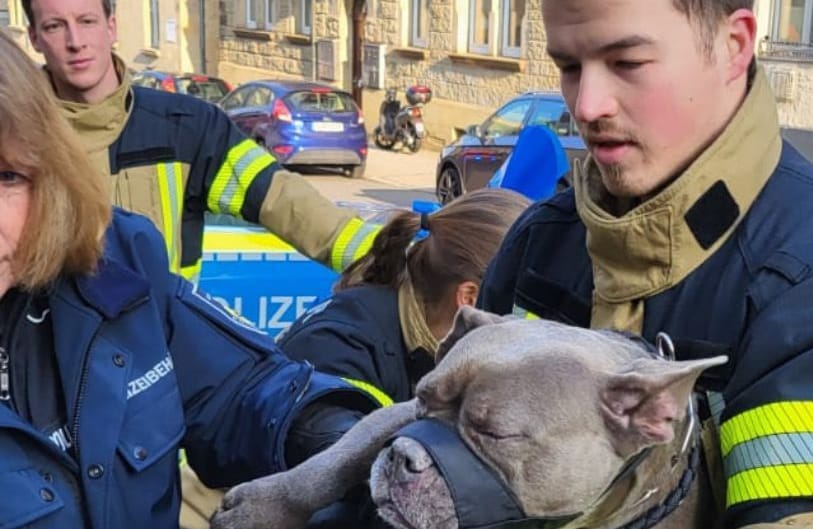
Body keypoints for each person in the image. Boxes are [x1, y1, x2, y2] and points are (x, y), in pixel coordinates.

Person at [479, 2, 813, 529]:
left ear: (734, 46)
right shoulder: (542, 243)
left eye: (627, 62)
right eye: (569, 66)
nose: (586, 105)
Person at [0, 32, 378, 529]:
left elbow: (237, 388)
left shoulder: (114, 264)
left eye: (8, 178)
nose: (74, 41)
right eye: (55, 25)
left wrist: (337, 438)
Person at [176, 189, 531, 529]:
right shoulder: (340, 351)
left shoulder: (423, 336)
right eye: (523, 313)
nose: (532, 333)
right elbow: (353, 495)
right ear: (468, 297)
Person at [21, 0, 378, 281]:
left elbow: (289, 203)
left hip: (161, 359)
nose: (76, 42)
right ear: (35, 37)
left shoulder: (187, 129)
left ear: (111, 26)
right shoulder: (16, 139)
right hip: (44, 366)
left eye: (87, 21)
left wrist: (400, 258)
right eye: (55, 26)